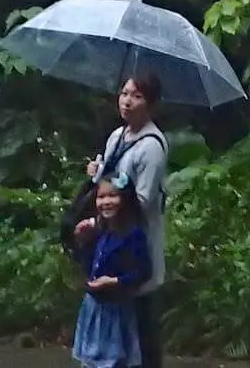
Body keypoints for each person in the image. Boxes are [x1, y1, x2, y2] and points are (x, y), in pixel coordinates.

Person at [86, 73, 168, 368]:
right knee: (121, 327)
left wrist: (115, 197)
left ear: (151, 104)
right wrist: (98, 173)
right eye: (124, 93)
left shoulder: (152, 147)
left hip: (137, 242)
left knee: (143, 322)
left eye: (137, 96)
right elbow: (106, 184)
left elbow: (144, 201)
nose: (127, 101)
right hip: (113, 240)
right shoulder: (116, 136)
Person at [70, 178, 153, 368]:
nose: (106, 201)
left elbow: (143, 271)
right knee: (90, 361)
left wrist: (114, 281)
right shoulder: (100, 229)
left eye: (112, 195)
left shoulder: (133, 234)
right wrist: (81, 240)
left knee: (111, 361)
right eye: (101, 197)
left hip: (116, 310)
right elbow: (89, 265)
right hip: (93, 307)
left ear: (124, 198)